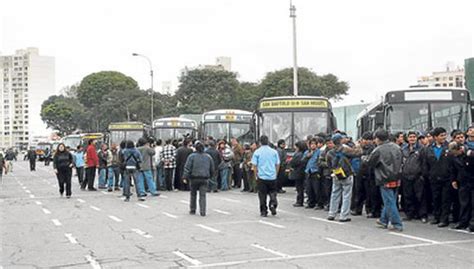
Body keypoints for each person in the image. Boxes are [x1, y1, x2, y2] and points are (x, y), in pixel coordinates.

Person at [366, 129, 403, 231]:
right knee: (391, 200)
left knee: (389, 202)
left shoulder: (378, 150)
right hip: (397, 176)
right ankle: (383, 220)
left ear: (378, 139)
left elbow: (371, 163)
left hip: (384, 177)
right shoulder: (397, 147)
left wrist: (364, 159)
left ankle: (397, 223)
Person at [327, 133, 362, 222]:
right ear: (340, 140)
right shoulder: (345, 149)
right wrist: (358, 145)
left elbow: (329, 164)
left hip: (336, 174)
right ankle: (343, 215)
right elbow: (358, 153)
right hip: (347, 174)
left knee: (335, 193)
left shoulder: (330, 152)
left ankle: (332, 213)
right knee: (346, 195)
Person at [421, 127, 452, 227]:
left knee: (445, 199)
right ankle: (436, 217)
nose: (444, 137)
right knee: (436, 198)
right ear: (435, 137)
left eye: (444, 135)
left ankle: (444, 219)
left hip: (447, 178)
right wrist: (428, 175)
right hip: (434, 178)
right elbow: (425, 164)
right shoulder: (428, 149)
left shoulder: (449, 147)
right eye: (441, 135)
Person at [401, 131, 428, 223]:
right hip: (406, 176)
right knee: (408, 196)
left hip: (418, 176)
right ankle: (410, 214)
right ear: (407, 138)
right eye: (410, 137)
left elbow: (424, 163)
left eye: (414, 137)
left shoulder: (422, 149)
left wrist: (423, 175)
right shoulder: (404, 149)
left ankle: (422, 215)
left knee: (420, 196)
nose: (412, 139)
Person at [182, 141, 215, 216]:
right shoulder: (208, 157)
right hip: (204, 178)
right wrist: (211, 176)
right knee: (203, 195)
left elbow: (187, 167)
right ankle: (202, 211)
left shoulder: (191, 156)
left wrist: (185, 177)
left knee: (193, 194)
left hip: (194, 178)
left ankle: (192, 210)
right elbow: (212, 168)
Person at [251, 135, 280, 217]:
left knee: (262, 195)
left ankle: (264, 211)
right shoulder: (274, 152)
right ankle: (273, 203)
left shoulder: (257, 152)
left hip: (262, 176)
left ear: (260, 142)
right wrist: (275, 173)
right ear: (268, 142)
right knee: (273, 191)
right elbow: (277, 164)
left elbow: (254, 165)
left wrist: (256, 175)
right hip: (272, 176)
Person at [449, 142, 474, 231]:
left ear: (460, 149)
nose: (454, 154)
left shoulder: (470, 154)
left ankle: (472, 224)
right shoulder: (455, 157)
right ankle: (463, 222)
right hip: (463, 182)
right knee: (464, 203)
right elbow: (453, 169)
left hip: (472, 180)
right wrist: (453, 180)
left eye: (455, 152)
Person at [351, 132, 376, 217]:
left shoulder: (373, 149)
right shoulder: (359, 148)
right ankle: (357, 209)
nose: (366, 141)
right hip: (359, 173)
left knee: (369, 193)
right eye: (364, 139)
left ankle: (369, 210)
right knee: (358, 191)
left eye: (368, 140)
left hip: (369, 173)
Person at [304, 137, 325, 209]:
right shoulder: (307, 152)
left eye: (314, 144)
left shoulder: (319, 152)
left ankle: (319, 203)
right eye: (311, 144)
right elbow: (302, 161)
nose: (312, 145)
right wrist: (308, 156)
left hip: (316, 172)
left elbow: (320, 162)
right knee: (309, 189)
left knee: (317, 189)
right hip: (308, 172)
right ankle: (311, 202)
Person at [290, 141, 308, 207]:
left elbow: (293, 162)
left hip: (298, 172)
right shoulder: (304, 153)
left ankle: (299, 201)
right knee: (301, 187)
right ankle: (300, 200)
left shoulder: (298, 154)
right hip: (302, 172)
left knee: (299, 188)